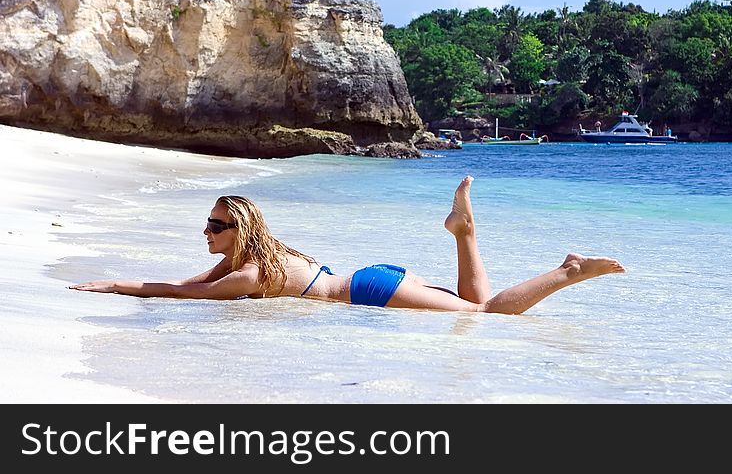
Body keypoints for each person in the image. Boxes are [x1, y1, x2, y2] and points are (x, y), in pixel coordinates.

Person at [70, 177, 625, 314]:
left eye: (216, 226)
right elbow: (193, 280)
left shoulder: (251, 276)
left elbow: (177, 293)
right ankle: (464, 232)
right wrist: (133, 280)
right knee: (468, 311)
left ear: (240, 230)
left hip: (371, 292)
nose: (207, 232)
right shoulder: (260, 256)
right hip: (369, 281)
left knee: (485, 315)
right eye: (208, 223)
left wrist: (113, 285)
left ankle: (568, 270)